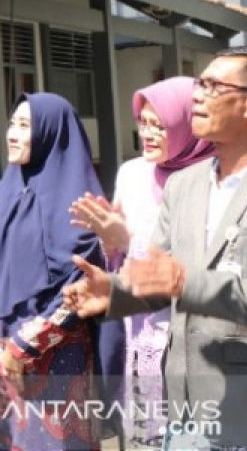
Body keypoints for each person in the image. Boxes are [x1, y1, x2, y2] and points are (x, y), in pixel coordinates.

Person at [63, 49, 247, 450]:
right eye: (198, 85)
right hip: (187, 412)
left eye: (213, 86)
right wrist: (115, 291)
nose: (198, 95)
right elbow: (158, 278)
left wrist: (188, 282)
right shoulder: (185, 185)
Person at [0, 93, 105, 450]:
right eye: (12, 124)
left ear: (52, 134)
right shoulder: (5, 191)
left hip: (52, 360)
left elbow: (81, 288)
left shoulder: (82, 205)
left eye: (25, 126)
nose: (12, 134)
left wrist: (22, 347)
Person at [69, 77, 215, 448]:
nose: (147, 134)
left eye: (159, 125)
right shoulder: (132, 173)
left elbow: (195, 264)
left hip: (188, 328)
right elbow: (119, 258)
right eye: (143, 123)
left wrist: (126, 239)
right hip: (139, 325)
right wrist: (107, 240)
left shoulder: (210, 178)